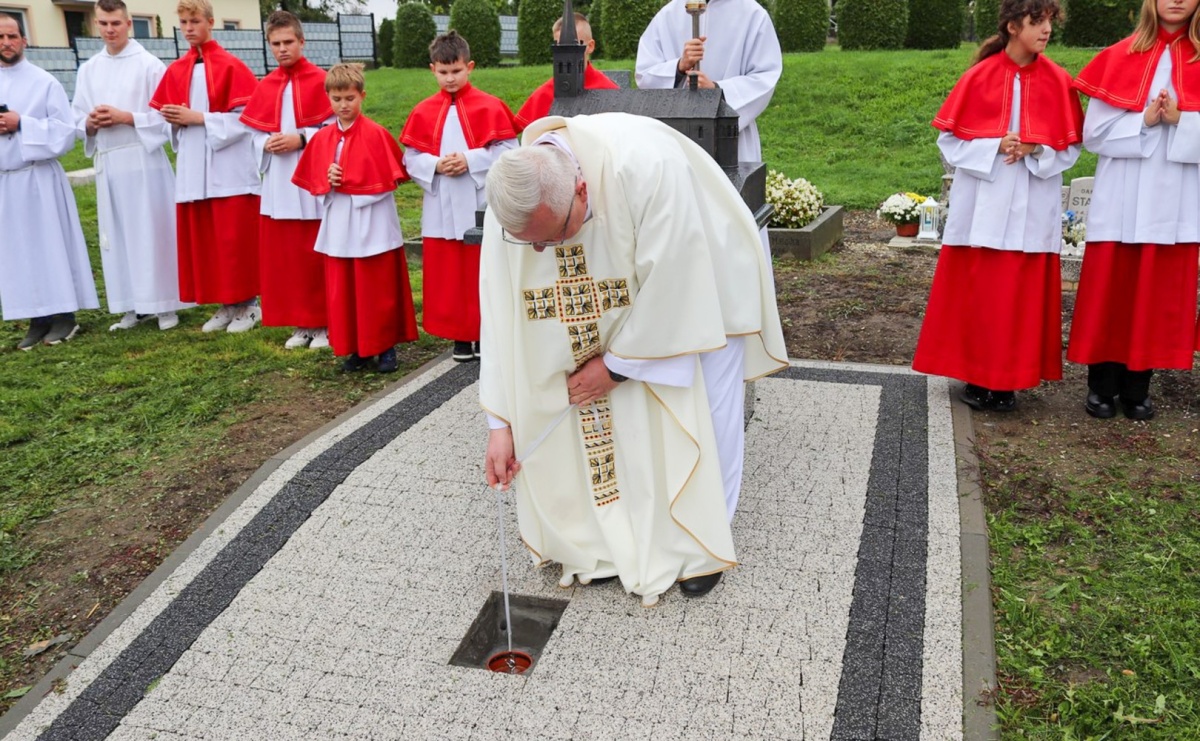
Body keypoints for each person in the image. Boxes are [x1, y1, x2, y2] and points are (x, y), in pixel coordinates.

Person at [480, 113, 788, 607]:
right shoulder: (515, 197)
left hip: (708, 279)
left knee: (707, 414)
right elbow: (497, 314)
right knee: (616, 419)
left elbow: (677, 281)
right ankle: (608, 544)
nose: (543, 249)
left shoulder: (645, 166)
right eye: (531, 243)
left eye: (554, 236)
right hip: (646, 294)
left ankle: (702, 549)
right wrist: (501, 420)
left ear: (581, 190)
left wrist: (617, 366)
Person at [912, 0, 1083, 412]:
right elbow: (949, 142)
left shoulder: (1059, 81)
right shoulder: (979, 76)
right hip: (983, 207)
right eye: (1036, 21)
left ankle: (1008, 381)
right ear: (1011, 26)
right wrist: (994, 145)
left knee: (1019, 298)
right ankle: (975, 374)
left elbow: (1072, 147)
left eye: (1049, 22)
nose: (1046, 30)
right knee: (980, 294)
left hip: (1032, 206)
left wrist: (1037, 147)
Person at [1066, 0, 1200, 421]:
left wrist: (1181, 119)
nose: (1176, 0)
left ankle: (1138, 387)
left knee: (1155, 295)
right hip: (1122, 194)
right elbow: (1095, 135)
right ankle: (1101, 386)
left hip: (1177, 198)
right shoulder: (1118, 56)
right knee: (1112, 289)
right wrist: (1143, 120)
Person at [292, 63, 418, 373]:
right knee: (345, 287)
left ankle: (385, 346)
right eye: (336, 99)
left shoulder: (375, 134)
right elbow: (314, 184)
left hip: (372, 222)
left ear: (362, 96)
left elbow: (387, 181)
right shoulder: (322, 139)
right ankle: (356, 347)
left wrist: (349, 179)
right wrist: (328, 179)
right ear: (328, 98)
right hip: (339, 224)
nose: (343, 105)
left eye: (349, 98)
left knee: (377, 287)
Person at [400, 31, 518, 362]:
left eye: (456, 71)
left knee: (481, 267)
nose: (450, 79)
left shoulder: (490, 106)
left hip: (477, 199)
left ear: (470, 67)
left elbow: (509, 151)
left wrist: (470, 159)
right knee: (448, 274)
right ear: (432, 70)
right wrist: (436, 164)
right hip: (440, 202)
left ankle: (485, 332)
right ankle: (459, 336)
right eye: (443, 72)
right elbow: (410, 158)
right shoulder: (423, 111)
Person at [72, 0, 187, 333]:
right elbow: (76, 115)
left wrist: (127, 117)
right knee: (118, 235)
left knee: (152, 231)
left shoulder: (150, 65)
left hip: (142, 157)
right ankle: (132, 304)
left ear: (129, 24)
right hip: (109, 160)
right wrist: (89, 123)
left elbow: (167, 116)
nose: (110, 30)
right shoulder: (88, 69)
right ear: (96, 24)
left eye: (116, 23)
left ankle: (166, 303)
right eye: (104, 23)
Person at [150, 0, 261, 333]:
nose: (188, 28)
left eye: (194, 21)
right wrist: (175, 120)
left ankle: (249, 304)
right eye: (183, 22)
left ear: (210, 22)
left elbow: (247, 118)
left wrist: (199, 118)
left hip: (228, 168)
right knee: (208, 238)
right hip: (194, 167)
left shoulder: (232, 66)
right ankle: (226, 304)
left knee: (232, 237)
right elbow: (163, 118)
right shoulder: (177, 69)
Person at [0, 13, 99, 349]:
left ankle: (63, 316)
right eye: (0, 37)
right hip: (6, 182)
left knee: (49, 248)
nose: (6, 43)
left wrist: (22, 123)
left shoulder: (44, 82)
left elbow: (65, 134)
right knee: (18, 253)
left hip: (38, 178)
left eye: (12, 36)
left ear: (24, 40)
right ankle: (35, 317)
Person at [241, 10, 333, 349]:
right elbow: (250, 134)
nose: (282, 49)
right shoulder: (267, 85)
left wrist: (302, 138)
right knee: (288, 257)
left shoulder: (322, 81)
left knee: (312, 254)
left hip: (310, 182)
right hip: (279, 182)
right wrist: (263, 142)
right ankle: (301, 324)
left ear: (302, 41)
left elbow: (334, 128)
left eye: (288, 42)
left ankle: (324, 323)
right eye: (276, 44)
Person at [635, 0, 782, 163]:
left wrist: (717, 90)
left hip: (730, 136)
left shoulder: (753, 14)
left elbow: (765, 76)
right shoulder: (669, 15)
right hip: (678, 136)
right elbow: (644, 74)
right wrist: (678, 67)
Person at [513, 12, 619, 130]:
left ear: (590, 46)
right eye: (560, 46)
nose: (566, 52)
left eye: (574, 44)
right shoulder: (546, 92)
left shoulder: (607, 89)